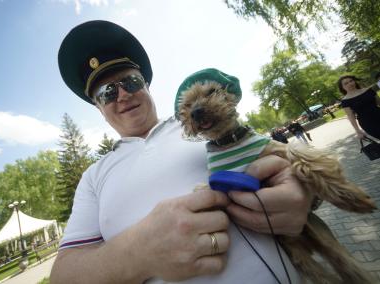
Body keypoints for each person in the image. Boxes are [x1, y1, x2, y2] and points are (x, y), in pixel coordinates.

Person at [50, 20, 314, 283]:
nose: (122, 95)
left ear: (146, 86)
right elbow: (63, 276)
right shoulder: (93, 178)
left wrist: (304, 193)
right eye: (107, 93)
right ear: (98, 107)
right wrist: (139, 252)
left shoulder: (203, 120)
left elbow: (278, 161)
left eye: (130, 82)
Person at [338, 75, 380, 139]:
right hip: (368, 123)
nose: (350, 83)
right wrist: (358, 131)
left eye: (351, 81)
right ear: (342, 87)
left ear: (354, 81)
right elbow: (351, 117)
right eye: (346, 83)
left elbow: (379, 102)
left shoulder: (368, 90)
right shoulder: (345, 101)